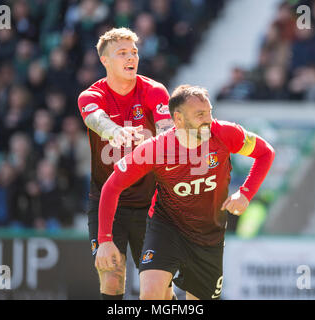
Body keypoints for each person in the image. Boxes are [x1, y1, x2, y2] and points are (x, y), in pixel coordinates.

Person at [95, 85, 275, 300]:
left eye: (209, 112)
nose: (208, 119)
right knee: (151, 294)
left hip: (209, 235)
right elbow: (111, 187)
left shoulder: (226, 133)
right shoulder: (155, 149)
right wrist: (105, 240)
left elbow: (266, 153)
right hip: (166, 227)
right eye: (200, 115)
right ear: (178, 119)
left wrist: (245, 193)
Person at [77, 27, 174, 300]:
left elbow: (167, 128)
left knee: (159, 288)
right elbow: (94, 119)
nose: (131, 58)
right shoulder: (91, 95)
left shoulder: (154, 90)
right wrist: (114, 131)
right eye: (122, 53)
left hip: (153, 203)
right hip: (107, 201)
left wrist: (169, 141)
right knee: (111, 277)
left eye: (134, 52)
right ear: (104, 60)